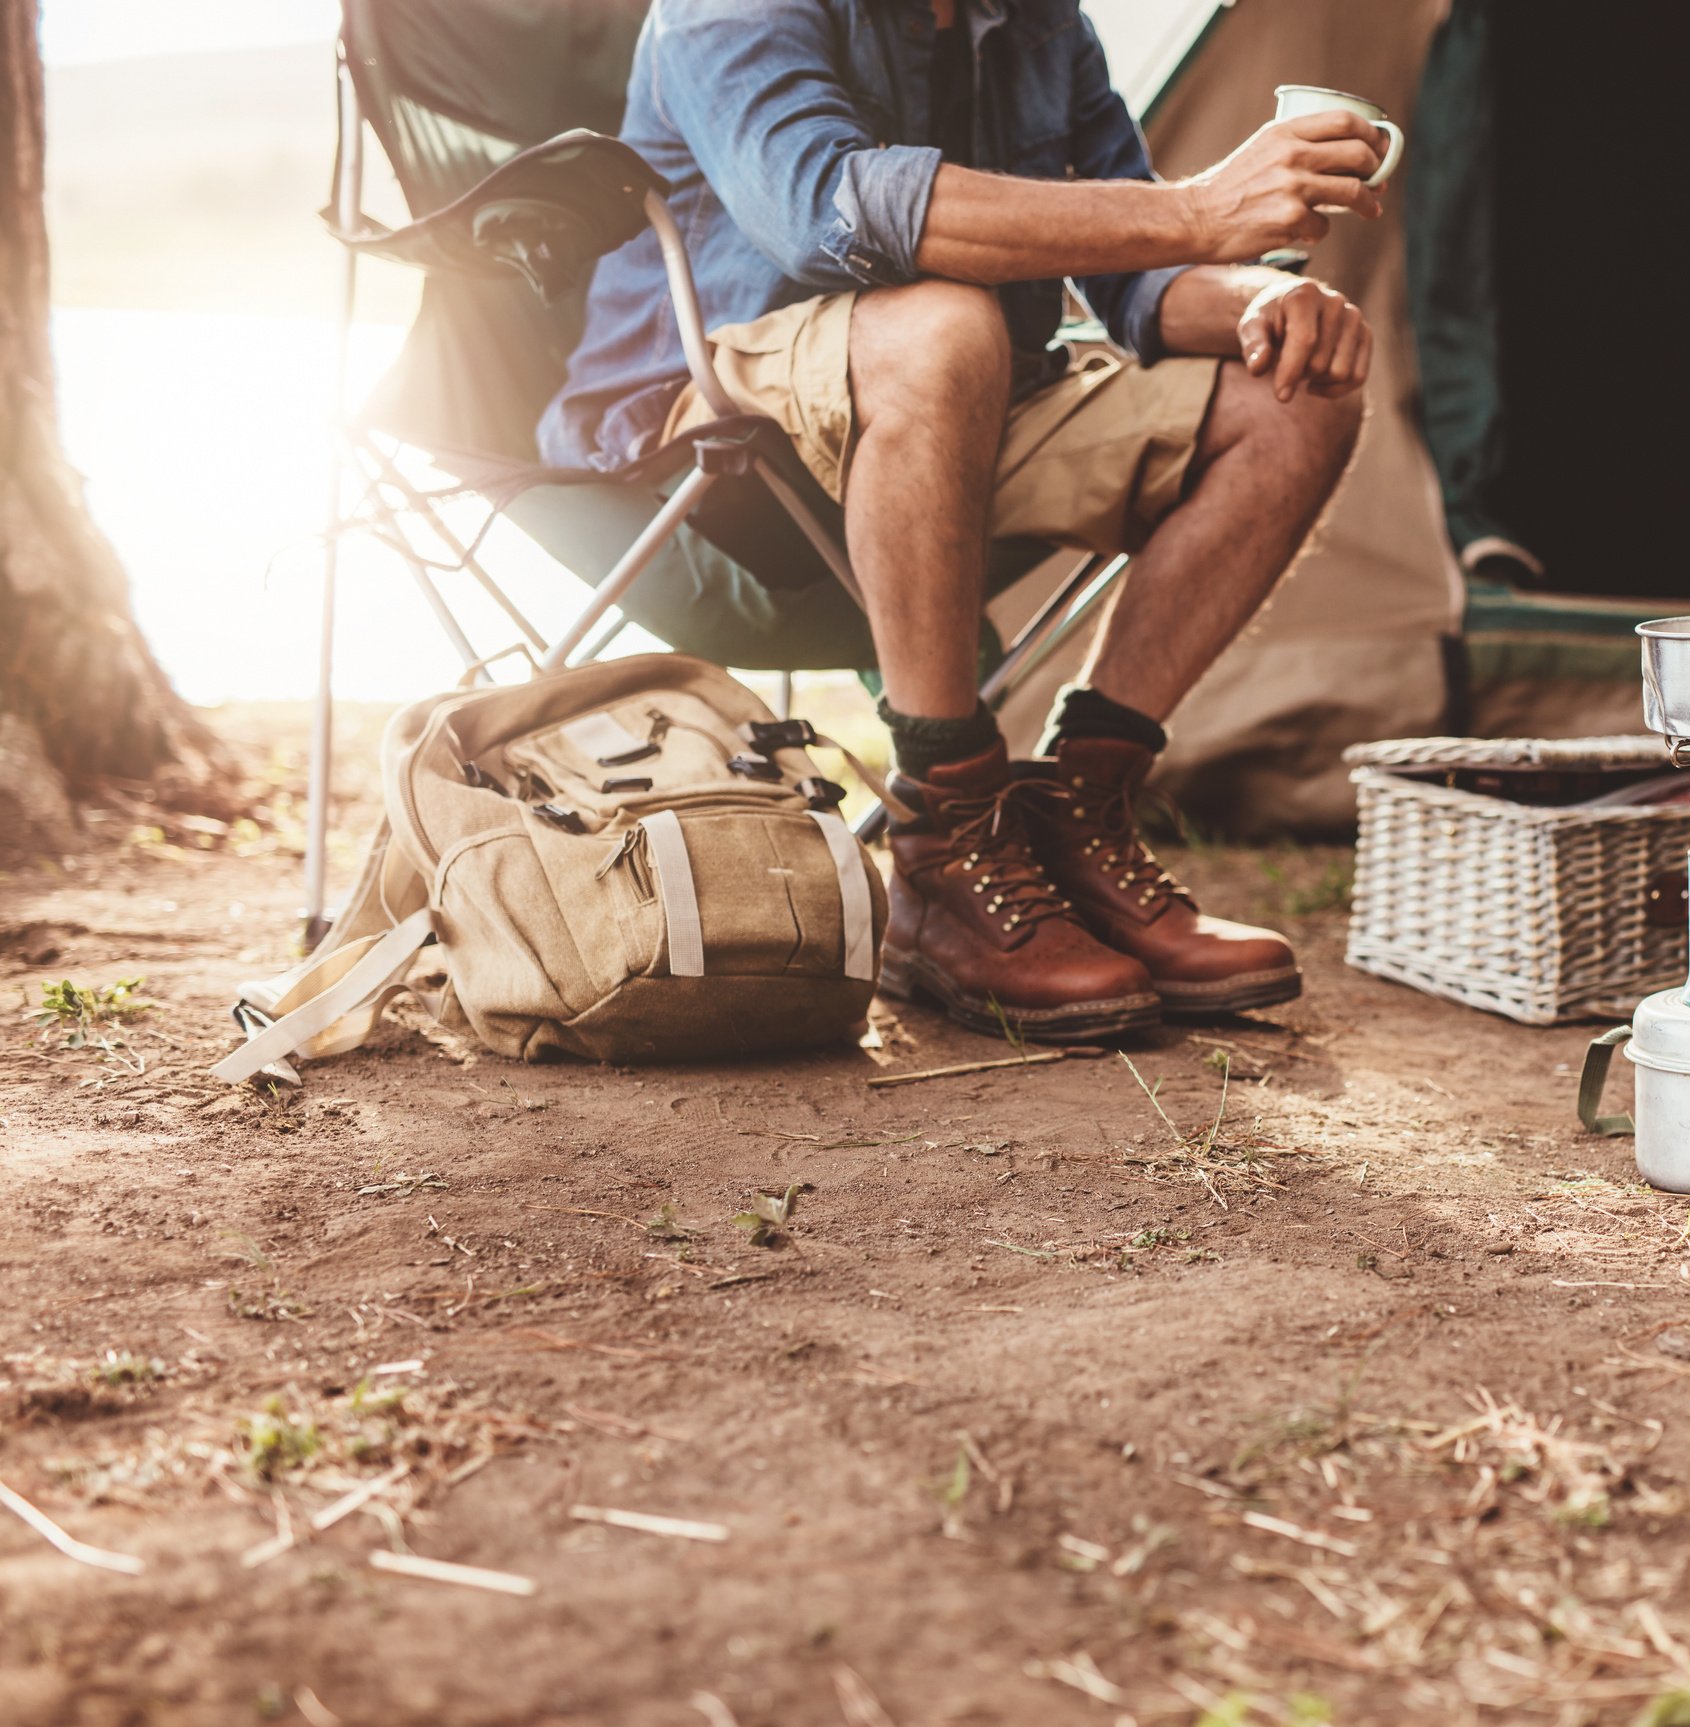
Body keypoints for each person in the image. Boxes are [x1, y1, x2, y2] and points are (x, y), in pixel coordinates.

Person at [542, 0, 1387, 1041]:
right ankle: (944, 845)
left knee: (1295, 398)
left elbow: (1136, 279)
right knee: (946, 322)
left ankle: (1077, 815)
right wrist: (1206, 211)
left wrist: (1257, 296)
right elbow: (828, 211)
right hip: (719, 418)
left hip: (971, 400)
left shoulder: (1037, 20)